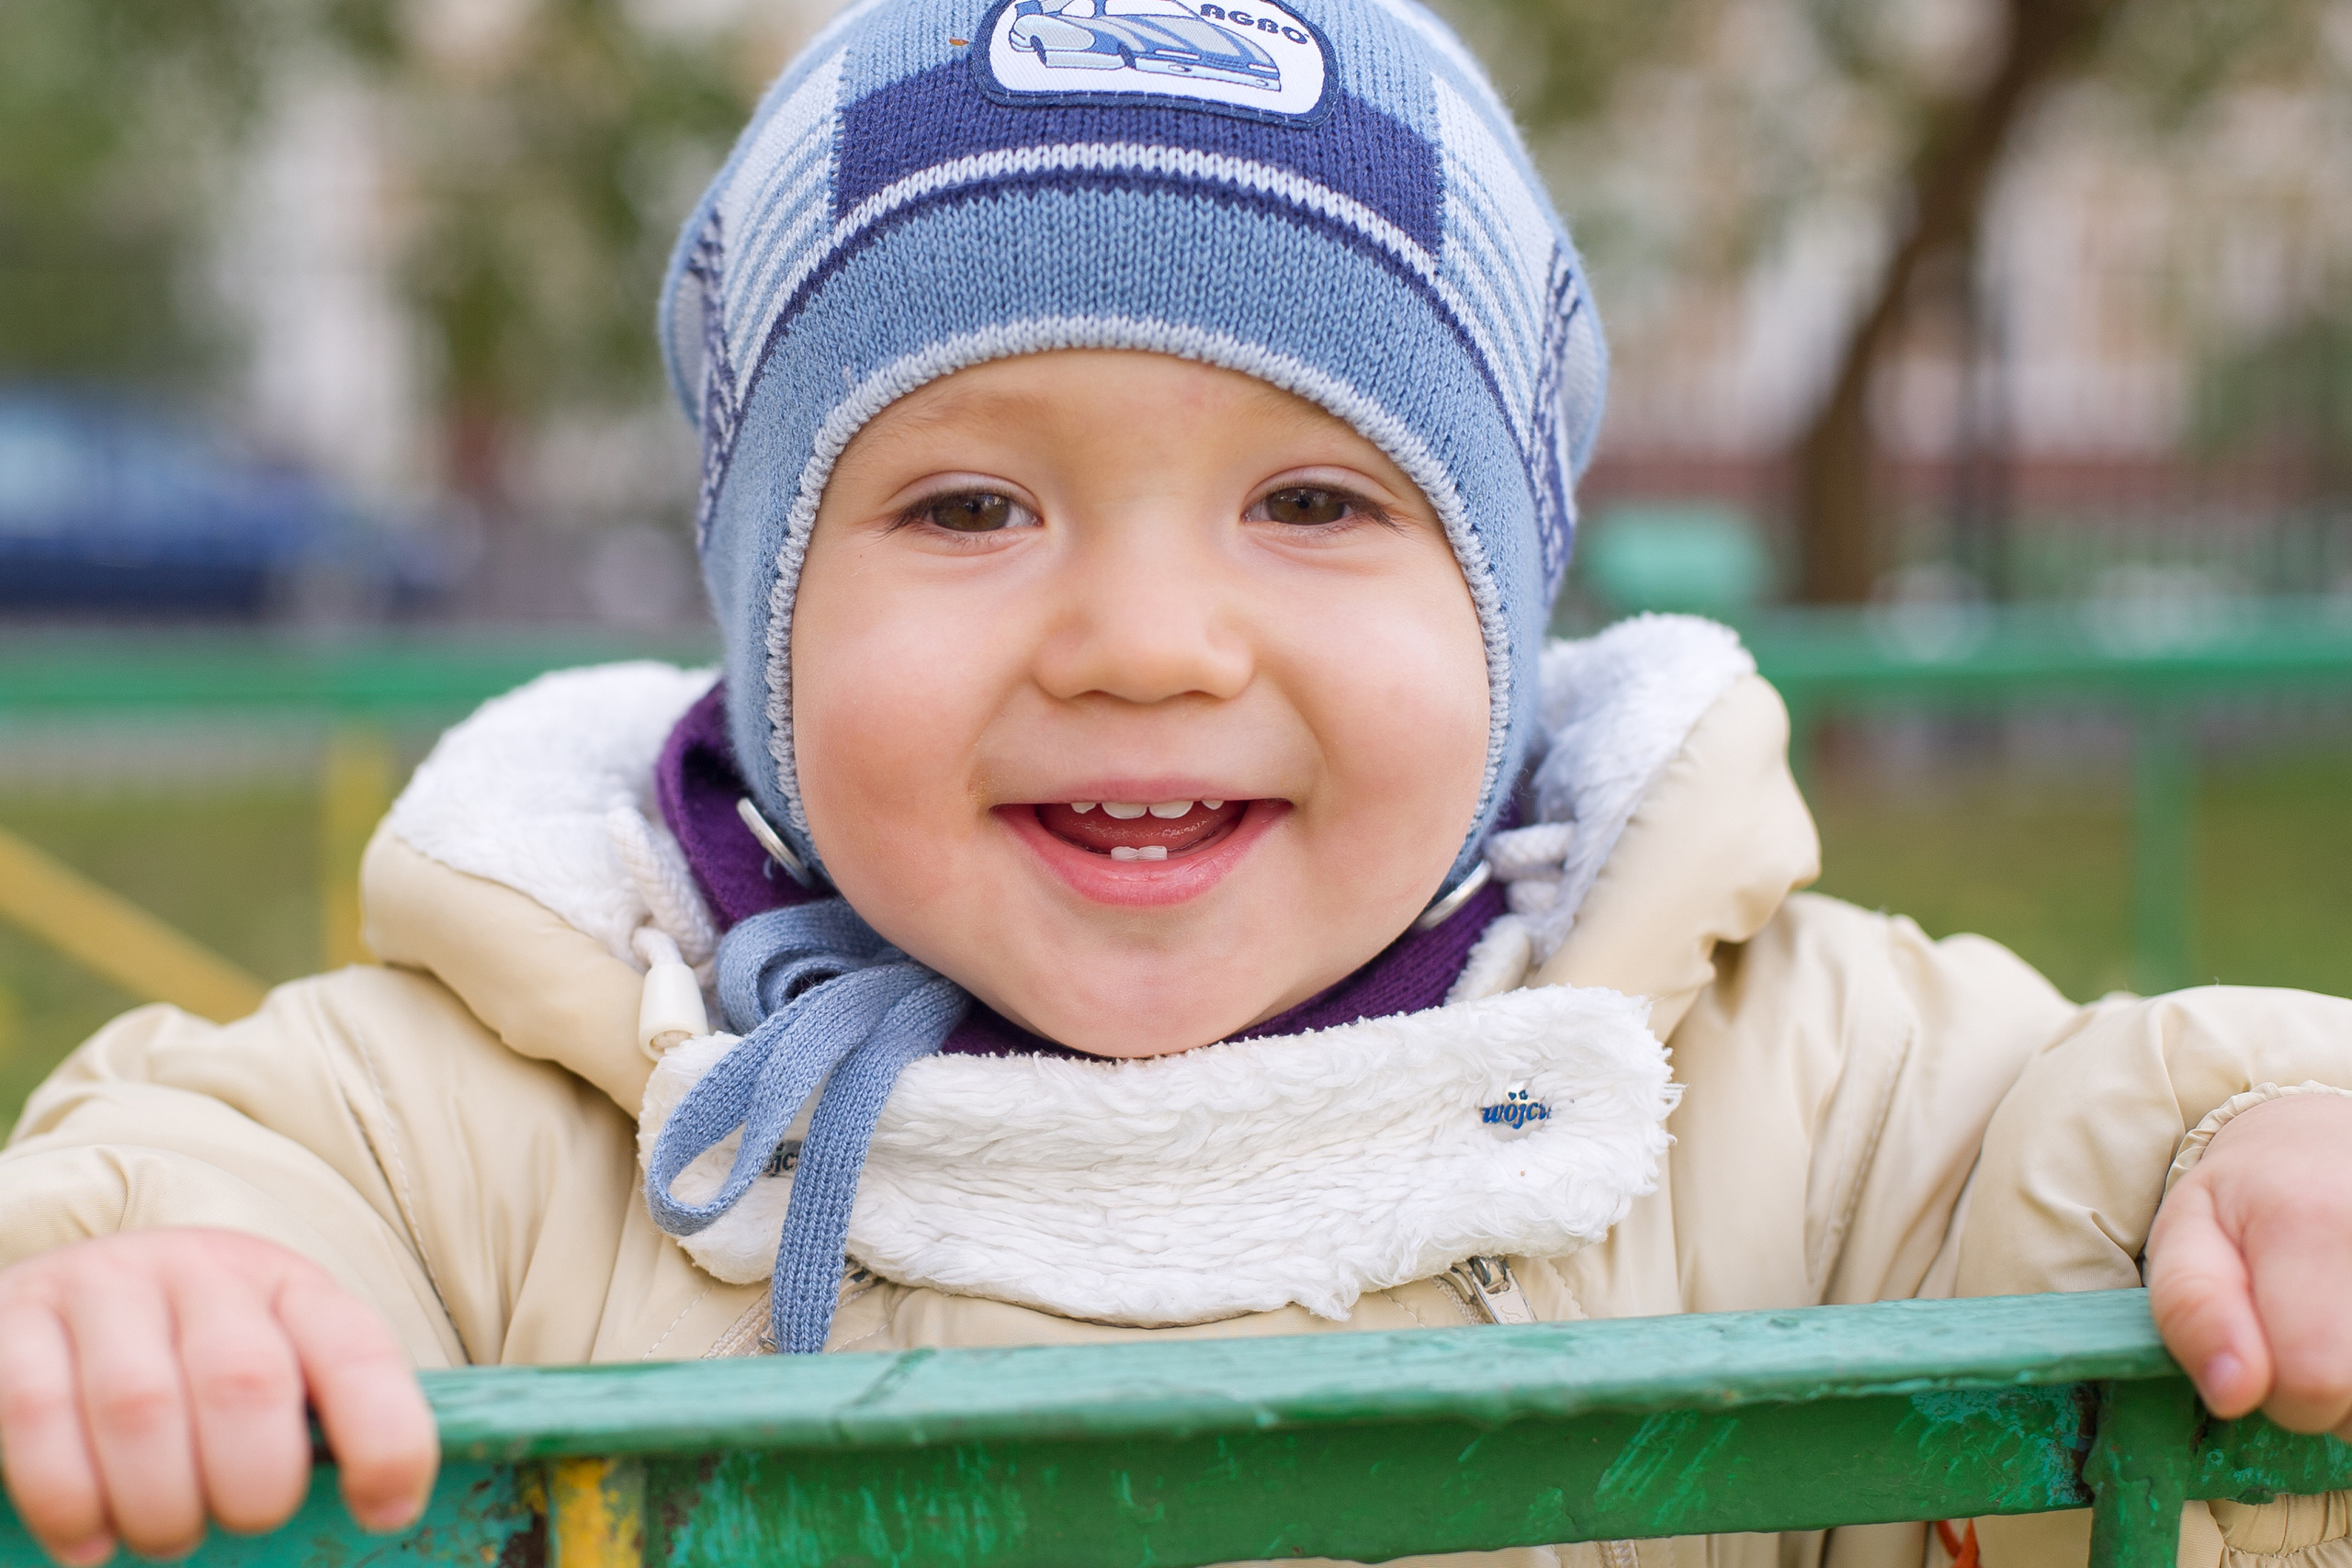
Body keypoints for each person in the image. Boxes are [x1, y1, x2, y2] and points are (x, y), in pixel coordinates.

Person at [4, 0, 2352, 1563]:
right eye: (962, 508)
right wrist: (154, 1293)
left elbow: (2082, 1149)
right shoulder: (550, 1081)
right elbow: (214, 1177)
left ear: (1509, 608)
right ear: (762, 615)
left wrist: (2255, 1154)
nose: (1143, 638)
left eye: (1316, 506)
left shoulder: (1759, 1073)